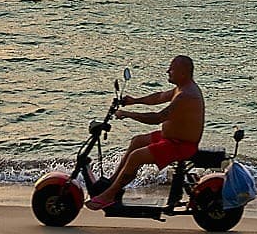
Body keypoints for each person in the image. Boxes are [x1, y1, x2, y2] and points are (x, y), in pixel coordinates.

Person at [85, 54, 205, 210]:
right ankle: (112, 183)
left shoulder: (186, 95)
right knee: (137, 141)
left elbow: (157, 118)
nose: (167, 71)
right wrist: (134, 101)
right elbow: (158, 97)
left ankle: (109, 196)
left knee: (136, 156)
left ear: (183, 73)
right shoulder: (181, 89)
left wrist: (128, 115)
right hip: (172, 138)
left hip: (180, 145)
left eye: (172, 69)